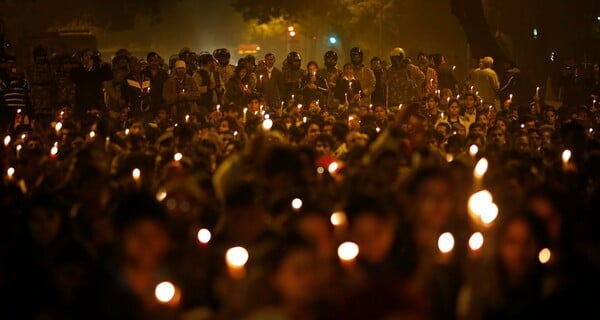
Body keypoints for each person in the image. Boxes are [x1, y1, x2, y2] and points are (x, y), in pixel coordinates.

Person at [70, 48, 113, 118]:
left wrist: (102, 63)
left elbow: (109, 76)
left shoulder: (98, 69)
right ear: (81, 58)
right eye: (86, 55)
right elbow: (77, 78)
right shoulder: (76, 70)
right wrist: (87, 68)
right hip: (82, 105)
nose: (89, 58)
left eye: (91, 56)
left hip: (97, 104)